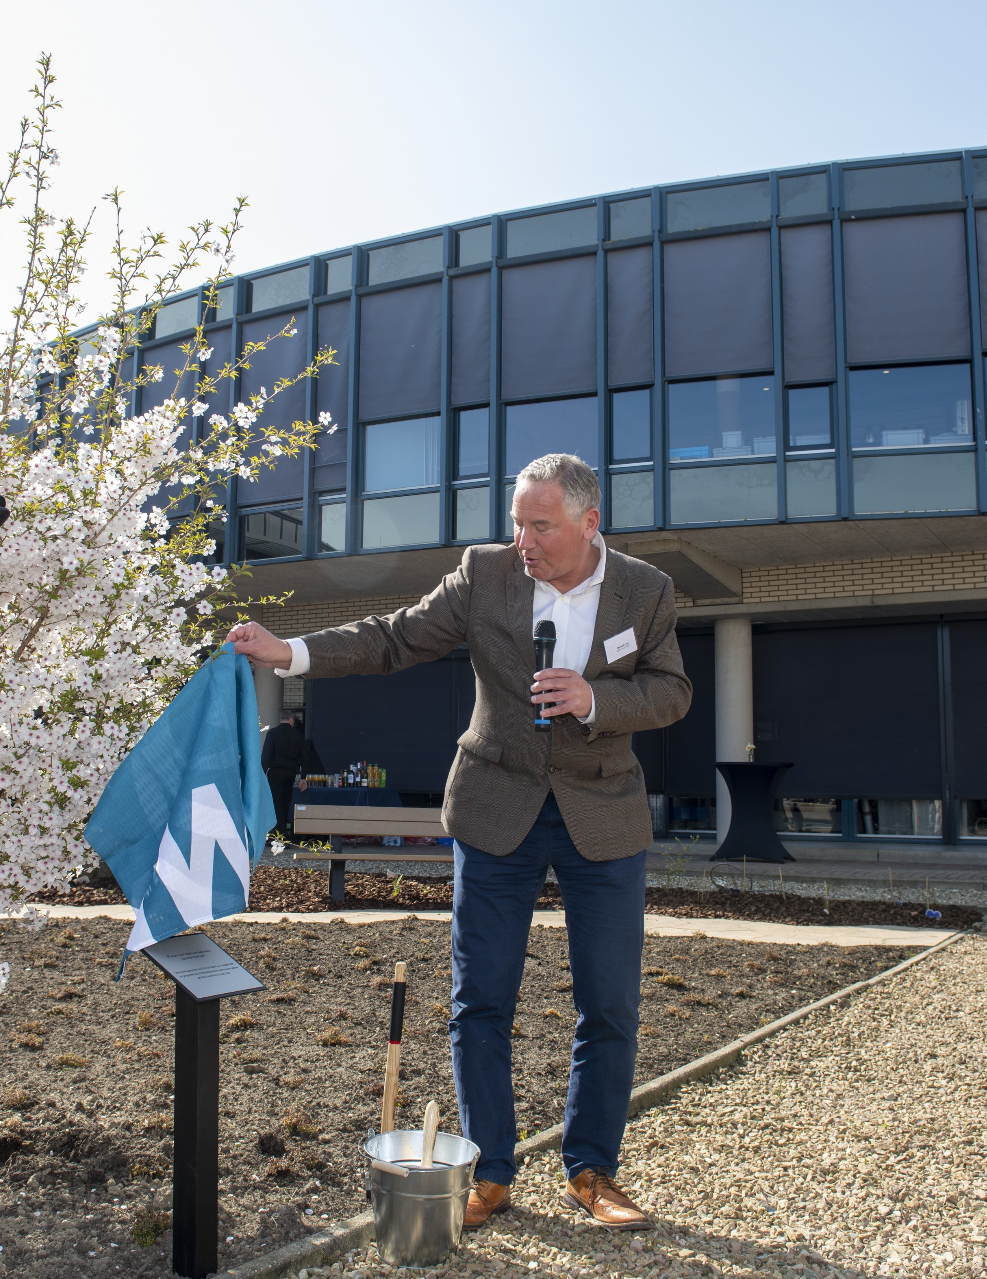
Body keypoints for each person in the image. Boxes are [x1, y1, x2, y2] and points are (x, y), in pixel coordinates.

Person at [226, 453, 690, 1230]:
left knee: (609, 1001)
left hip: (603, 817)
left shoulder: (646, 590)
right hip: (494, 808)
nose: (523, 540)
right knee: (480, 1000)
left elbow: (672, 691)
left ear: (588, 521)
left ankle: (592, 1169)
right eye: (516, 521)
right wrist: (291, 653)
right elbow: (394, 638)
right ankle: (491, 1172)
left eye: (539, 524)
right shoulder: (485, 574)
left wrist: (595, 697)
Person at [261, 710, 310, 836]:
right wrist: (303, 777)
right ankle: (281, 833)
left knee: (276, 803)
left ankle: (278, 834)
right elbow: (304, 757)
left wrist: (262, 773)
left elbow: (266, 755)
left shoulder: (272, 733)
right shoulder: (297, 735)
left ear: (280, 720)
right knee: (285, 803)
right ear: (291, 720)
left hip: (275, 773)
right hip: (290, 773)